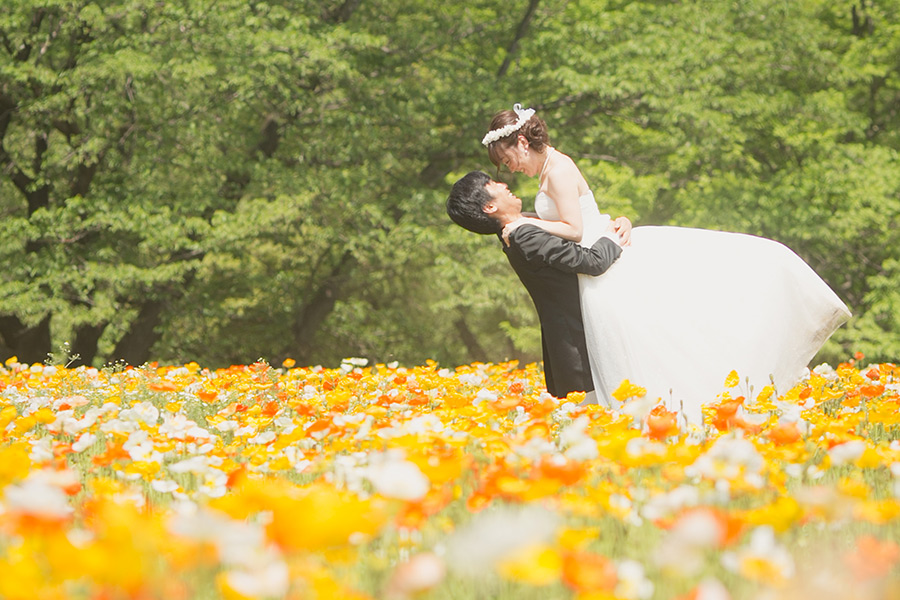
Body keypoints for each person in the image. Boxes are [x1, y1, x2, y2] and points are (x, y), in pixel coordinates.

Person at [481, 103, 852, 424]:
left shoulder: (558, 169)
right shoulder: (548, 170)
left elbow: (574, 230)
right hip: (597, 260)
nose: (510, 169)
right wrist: (527, 219)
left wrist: (524, 222)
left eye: (508, 160)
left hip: (603, 258)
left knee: (659, 337)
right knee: (638, 345)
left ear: (523, 143)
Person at [447, 170, 628, 402]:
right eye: (492, 184)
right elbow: (593, 262)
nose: (503, 185)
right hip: (579, 347)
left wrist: (619, 224)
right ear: (489, 207)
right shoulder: (524, 236)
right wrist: (614, 235)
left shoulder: (521, 229)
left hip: (577, 344)